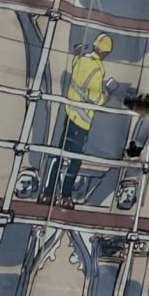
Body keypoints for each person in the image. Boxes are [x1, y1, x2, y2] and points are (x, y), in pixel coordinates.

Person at [52, 32, 113, 202]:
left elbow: (75, 63)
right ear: (104, 52)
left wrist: (76, 53)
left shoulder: (81, 61)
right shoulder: (98, 69)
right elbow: (95, 98)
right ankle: (65, 196)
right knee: (75, 159)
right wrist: (107, 94)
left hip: (70, 114)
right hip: (82, 121)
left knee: (59, 154)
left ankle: (48, 193)